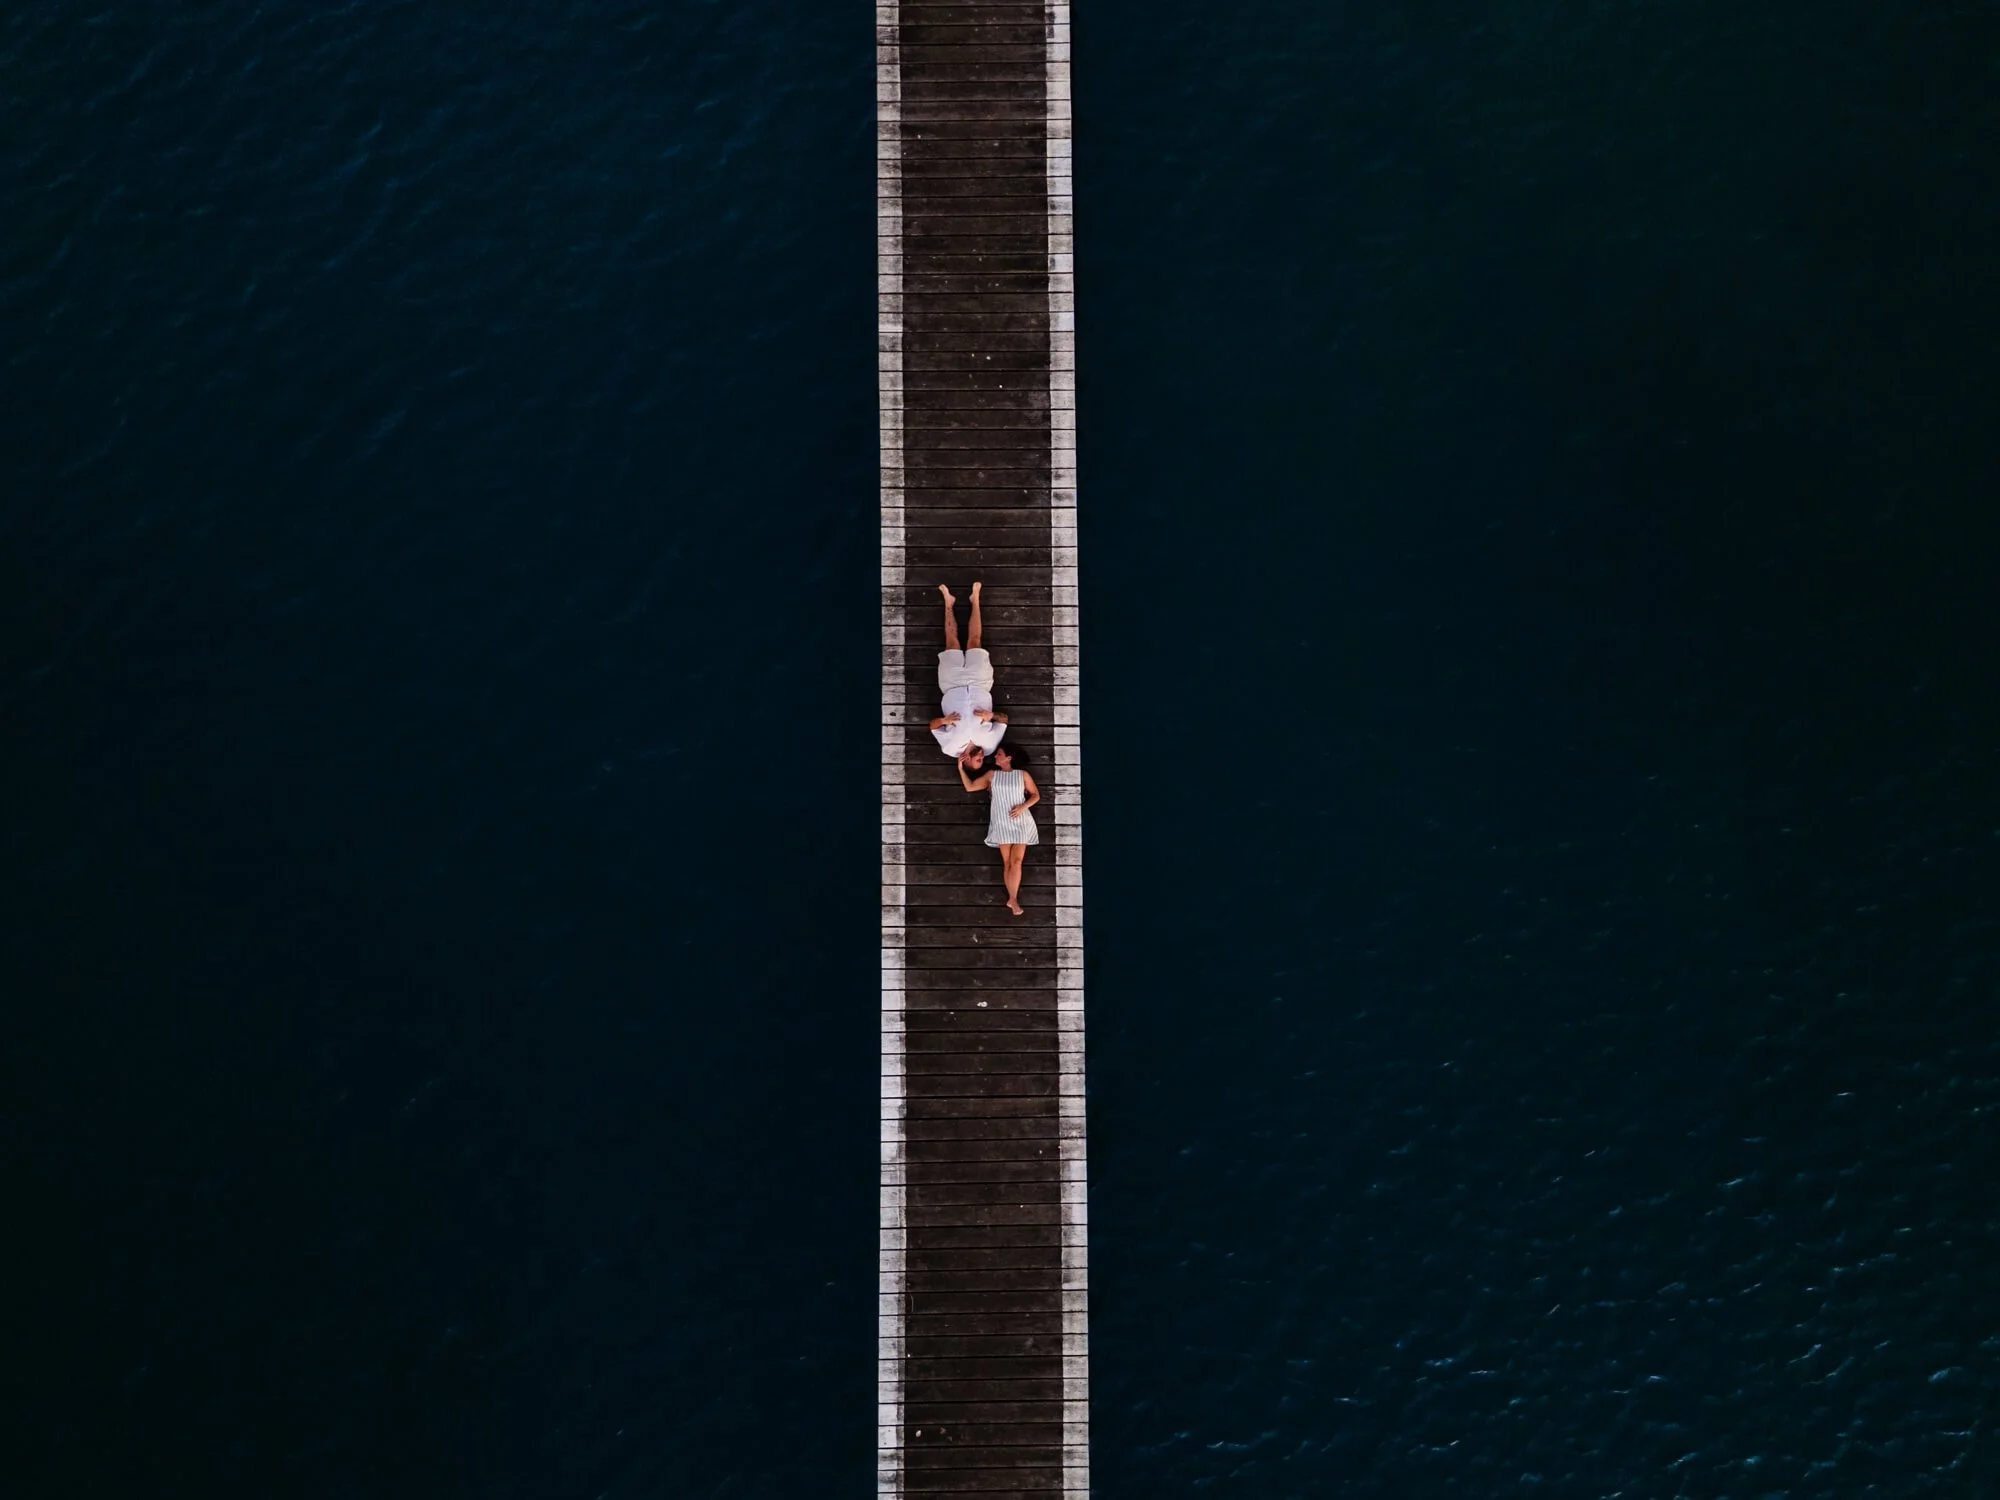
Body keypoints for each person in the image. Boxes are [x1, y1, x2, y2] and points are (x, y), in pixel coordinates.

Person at [929, 581, 1008, 765]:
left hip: (951, 685)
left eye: (978, 761)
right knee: (974, 642)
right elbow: (1004, 719)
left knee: (951, 643)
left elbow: (933, 726)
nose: (981, 757)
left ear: (966, 762)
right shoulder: (990, 746)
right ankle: (975, 600)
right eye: (982, 760)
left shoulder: (950, 748)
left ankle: (949, 603)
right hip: (980, 684)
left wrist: (944, 720)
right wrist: (992, 717)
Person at [958, 745, 1040, 916]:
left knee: (1016, 862)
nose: (996, 756)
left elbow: (1035, 795)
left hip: (1020, 819)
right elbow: (970, 787)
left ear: (1008, 758)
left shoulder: (1022, 775)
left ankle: (1013, 899)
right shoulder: (992, 775)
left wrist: (1023, 806)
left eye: (1000, 754)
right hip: (1002, 822)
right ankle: (1012, 899)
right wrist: (960, 768)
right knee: (1007, 862)